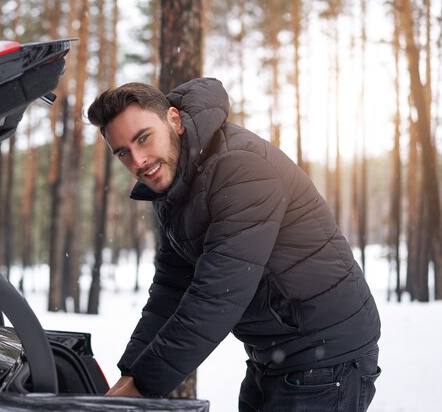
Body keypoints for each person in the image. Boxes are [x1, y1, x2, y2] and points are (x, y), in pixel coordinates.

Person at [86, 77, 381, 411]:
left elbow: (217, 296)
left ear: (174, 120)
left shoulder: (240, 167)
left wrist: (143, 386)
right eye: (124, 152)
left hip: (326, 355)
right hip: (275, 351)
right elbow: (171, 288)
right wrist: (129, 374)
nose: (138, 162)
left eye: (143, 139)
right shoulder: (176, 186)